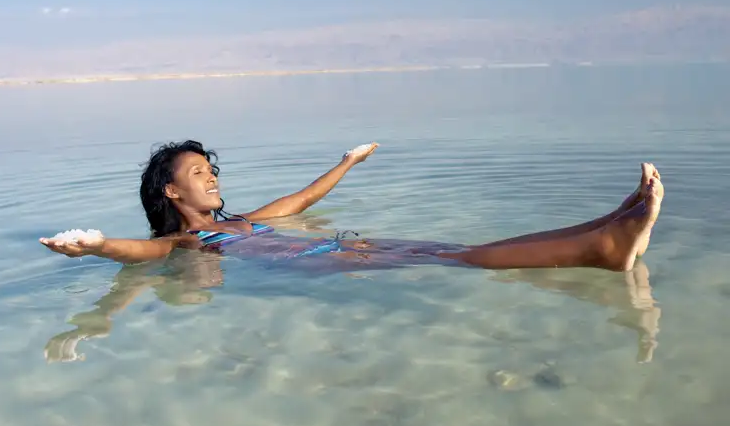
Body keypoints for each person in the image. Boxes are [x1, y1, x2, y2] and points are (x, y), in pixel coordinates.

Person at [40, 140, 664, 273]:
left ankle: (609, 224)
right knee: (456, 257)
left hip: (335, 245)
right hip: (317, 261)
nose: (210, 178)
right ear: (172, 193)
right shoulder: (188, 241)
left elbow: (303, 198)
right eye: (197, 173)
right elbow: (141, 249)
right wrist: (95, 245)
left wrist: (347, 161)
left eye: (211, 170)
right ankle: (603, 247)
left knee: (447, 252)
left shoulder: (238, 221)